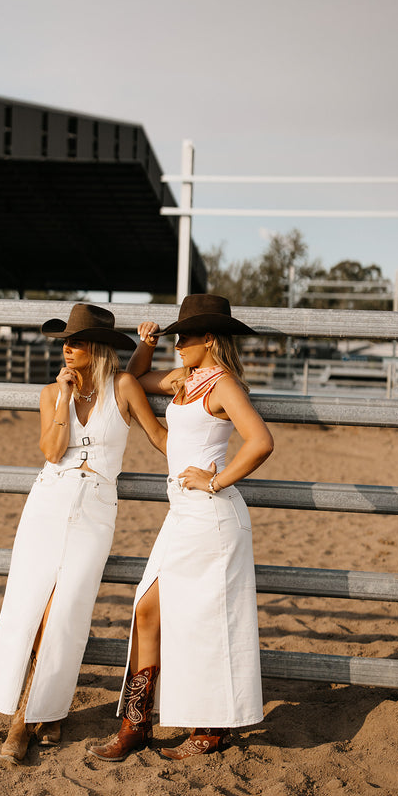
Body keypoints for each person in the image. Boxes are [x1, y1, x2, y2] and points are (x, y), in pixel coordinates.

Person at [89, 294, 274, 762]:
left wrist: (215, 480)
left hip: (212, 516)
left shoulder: (223, 385)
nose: (178, 344)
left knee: (205, 621)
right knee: (146, 609)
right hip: (181, 514)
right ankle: (136, 725)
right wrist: (147, 344)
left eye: (184, 337)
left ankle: (208, 730)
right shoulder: (183, 379)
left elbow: (260, 441)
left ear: (209, 338)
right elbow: (132, 380)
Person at [0, 303, 167, 764]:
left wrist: (209, 459)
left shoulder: (123, 386)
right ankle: (26, 716)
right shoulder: (52, 392)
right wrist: (64, 398)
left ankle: (44, 711)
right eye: (65, 341)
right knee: (29, 605)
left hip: (96, 510)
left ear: (99, 348)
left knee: (66, 611)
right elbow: (51, 451)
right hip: (47, 501)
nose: (67, 349)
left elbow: (159, 436)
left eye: (77, 342)